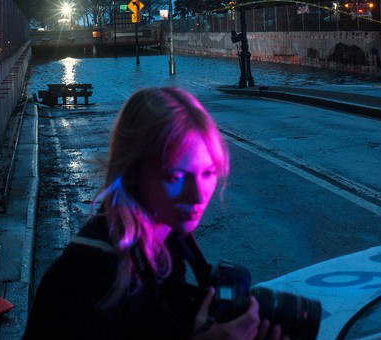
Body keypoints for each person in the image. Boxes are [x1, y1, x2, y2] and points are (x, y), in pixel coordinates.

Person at [24, 87, 283, 339]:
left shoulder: (165, 240)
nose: (198, 195)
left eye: (207, 173)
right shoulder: (83, 279)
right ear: (133, 172)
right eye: (176, 176)